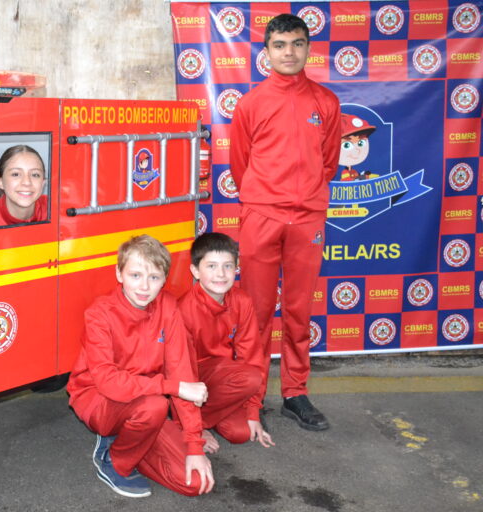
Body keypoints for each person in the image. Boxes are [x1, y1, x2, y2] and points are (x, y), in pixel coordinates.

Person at [229, 13, 341, 431]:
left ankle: (295, 393)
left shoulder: (326, 102)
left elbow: (328, 162)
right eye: (279, 45)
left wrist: (303, 198)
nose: (288, 52)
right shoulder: (251, 103)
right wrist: (266, 199)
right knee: (255, 313)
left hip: (308, 218)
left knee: (298, 310)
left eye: (296, 44)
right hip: (261, 215)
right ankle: (251, 397)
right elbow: (240, 164)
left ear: (308, 49)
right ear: (267, 52)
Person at [66, 235, 214, 498]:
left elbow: (183, 373)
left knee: (194, 484)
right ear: (119, 274)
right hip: (100, 399)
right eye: (135, 275)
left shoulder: (168, 306)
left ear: (164, 279)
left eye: (154, 278)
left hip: (146, 400)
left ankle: (136, 442)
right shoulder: (100, 314)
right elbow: (109, 383)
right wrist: (173, 388)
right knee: (156, 405)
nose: (144, 287)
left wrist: (194, 445)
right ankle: (115, 460)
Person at [178, 233, 274, 452]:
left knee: (241, 433)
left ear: (236, 268)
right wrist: (194, 429)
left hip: (223, 378)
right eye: (211, 266)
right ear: (195, 271)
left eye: (228, 266)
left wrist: (253, 412)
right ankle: (189, 423)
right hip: (191, 379)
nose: (220, 274)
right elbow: (180, 372)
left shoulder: (242, 301)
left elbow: (252, 358)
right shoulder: (184, 310)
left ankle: (206, 417)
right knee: (248, 378)